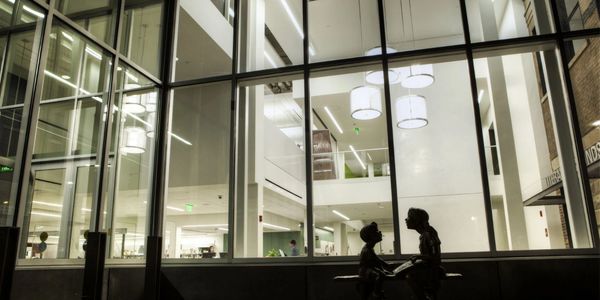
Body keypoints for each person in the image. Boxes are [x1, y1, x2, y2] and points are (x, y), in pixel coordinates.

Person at [405, 208, 443, 300]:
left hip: (432, 270)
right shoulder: (424, 234)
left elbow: (435, 257)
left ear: (417, 220)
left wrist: (418, 256)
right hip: (428, 267)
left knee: (410, 276)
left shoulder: (429, 233)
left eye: (409, 217)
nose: (406, 219)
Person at [358, 222, 392, 300]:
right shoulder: (367, 250)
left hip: (370, 267)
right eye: (376, 232)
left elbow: (376, 259)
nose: (380, 232)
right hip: (365, 270)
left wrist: (385, 266)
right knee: (380, 275)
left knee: (381, 273)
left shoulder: (370, 248)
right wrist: (383, 268)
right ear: (370, 236)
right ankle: (376, 293)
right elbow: (374, 262)